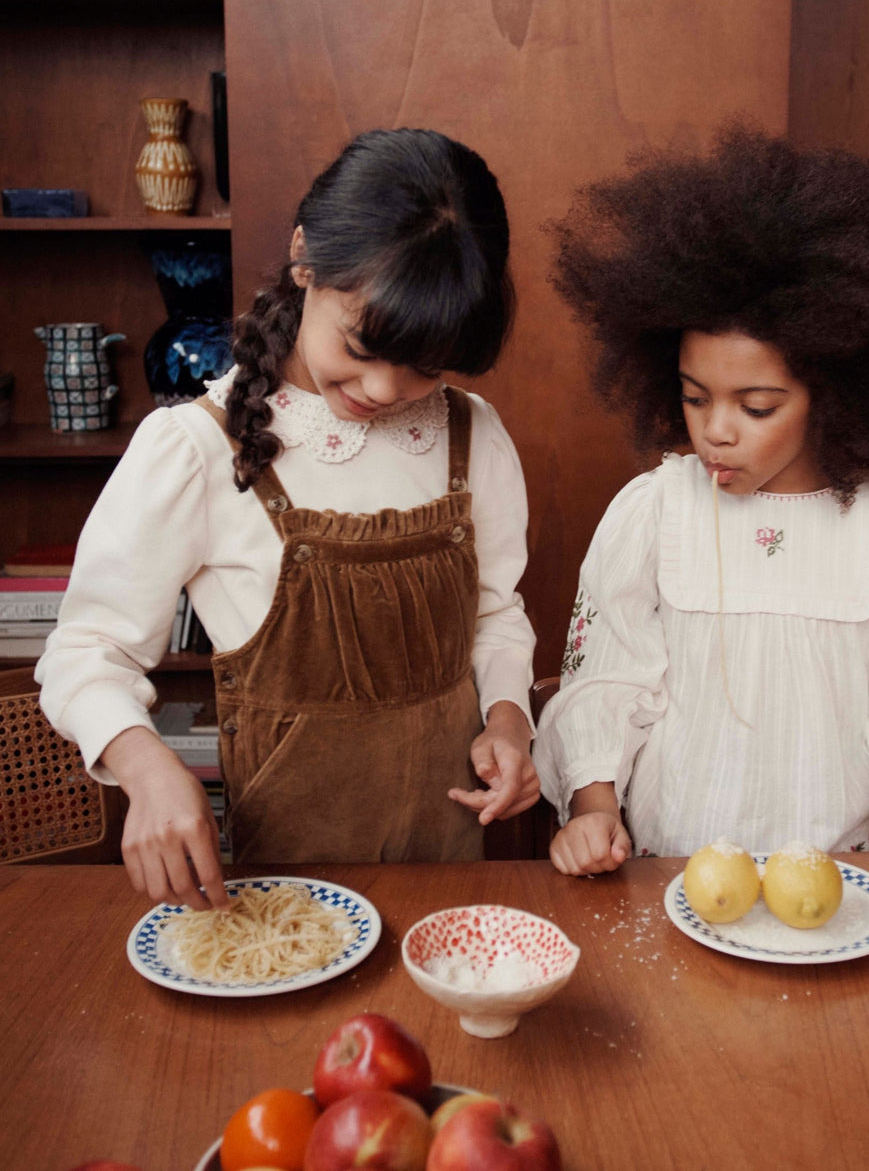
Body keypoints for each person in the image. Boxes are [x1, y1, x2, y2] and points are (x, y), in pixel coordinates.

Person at [38, 127, 539, 910]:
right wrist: (144, 766)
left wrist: (509, 720)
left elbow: (496, 614)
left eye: (422, 367)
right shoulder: (196, 449)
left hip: (455, 869)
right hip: (289, 899)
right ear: (305, 257)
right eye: (364, 344)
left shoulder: (473, 435)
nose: (381, 389)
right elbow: (84, 652)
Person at [533, 126, 869, 907]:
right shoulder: (656, 509)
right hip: (665, 867)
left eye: (756, 406)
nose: (716, 428)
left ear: (838, 393)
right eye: (692, 395)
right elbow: (605, 681)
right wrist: (591, 807)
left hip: (840, 880)